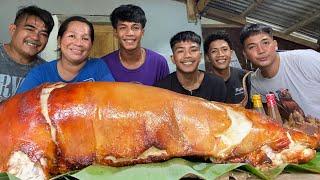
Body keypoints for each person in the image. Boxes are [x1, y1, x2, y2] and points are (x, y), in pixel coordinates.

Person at [240, 23, 320, 119]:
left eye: (265, 43)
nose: (261, 50)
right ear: (245, 54)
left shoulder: (307, 59)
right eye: (252, 47)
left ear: (275, 45)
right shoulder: (256, 83)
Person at [17, 16, 114, 93]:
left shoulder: (98, 66)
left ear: (91, 44)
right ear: (59, 41)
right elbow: (18, 105)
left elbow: (112, 99)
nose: (78, 43)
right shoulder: (40, 73)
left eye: (85, 38)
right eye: (72, 36)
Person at [101, 4, 169, 86]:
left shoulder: (159, 63)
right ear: (115, 32)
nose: (129, 33)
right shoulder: (103, 64)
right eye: (123, 28)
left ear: (142, 32)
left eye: (135, 28)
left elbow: (165, 97)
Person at [0, 5, 54, 101]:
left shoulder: (46, 72)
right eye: (30, 29)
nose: (35, 37)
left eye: (43, 34)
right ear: (13, 30)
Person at [155, 31, 226, 102]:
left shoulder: (217, 84)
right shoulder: (161, 89)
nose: (187, 55)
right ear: (173, 58)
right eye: (180, 51)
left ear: (200, 56)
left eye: (193, 50)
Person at [204, 31, 251, 106]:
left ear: (231, 53)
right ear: (208, 57)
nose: (220, 54)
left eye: (224, 49)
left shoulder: (245, 77)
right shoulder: (203, 83)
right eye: (214, 51)